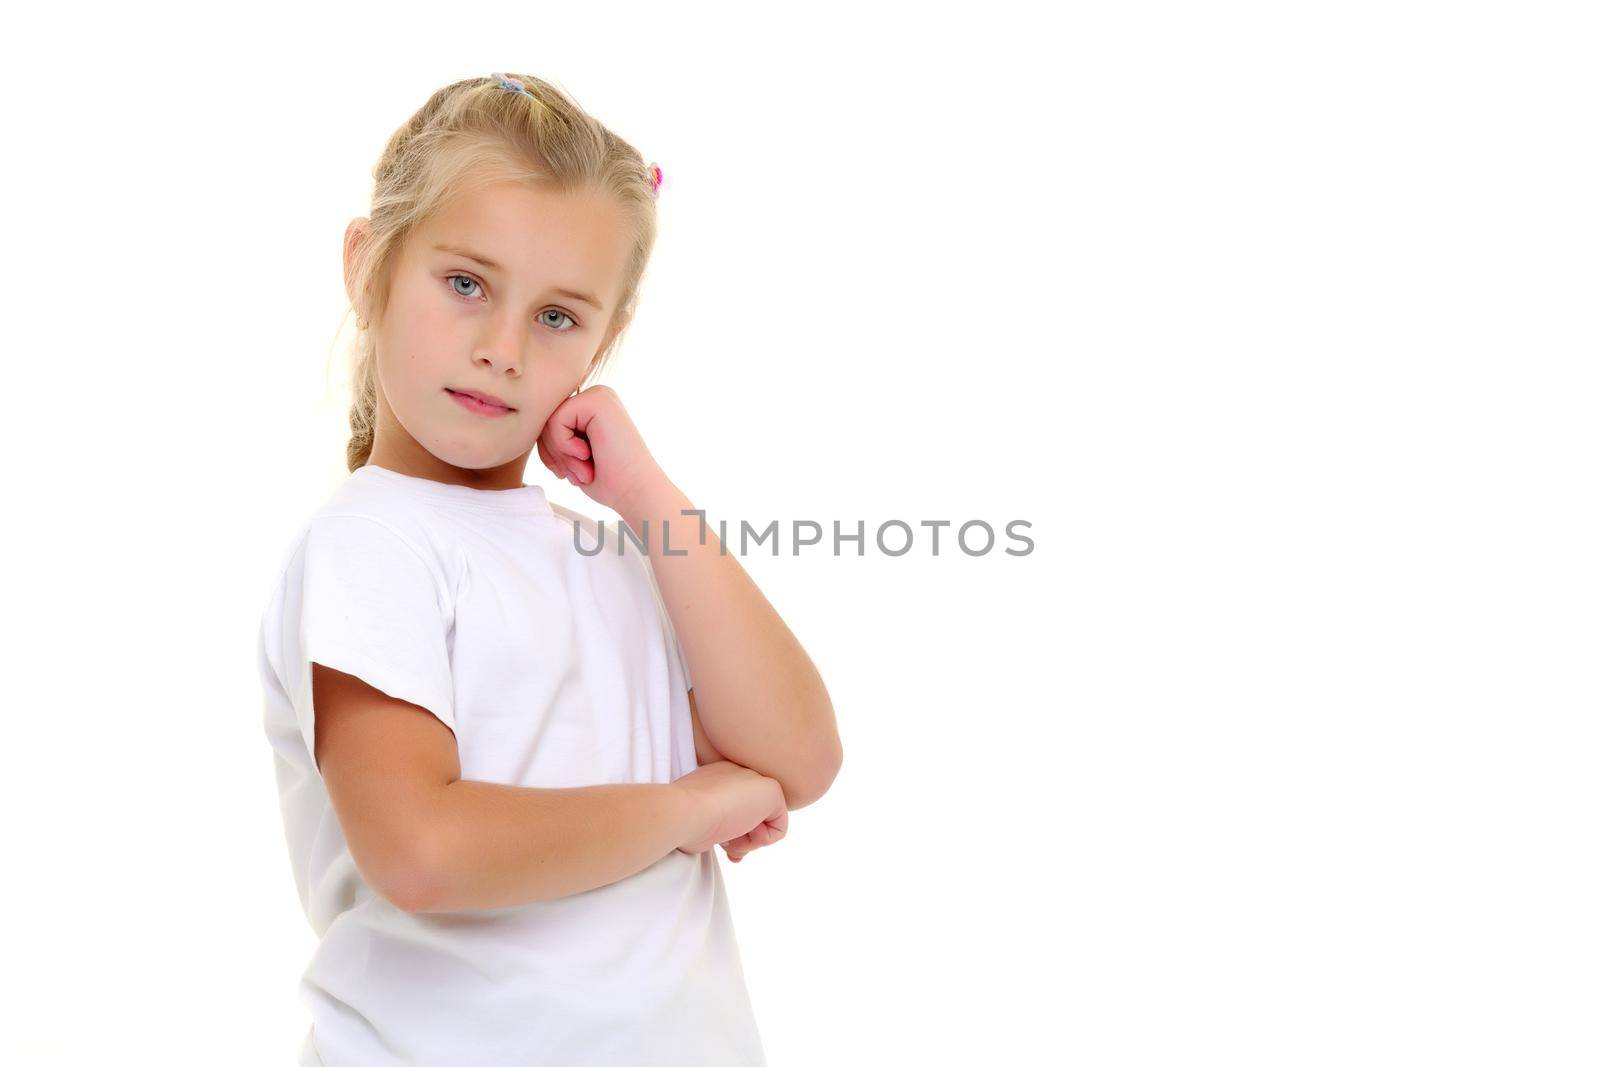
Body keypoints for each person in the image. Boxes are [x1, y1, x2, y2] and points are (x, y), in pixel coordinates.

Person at [256, 72, 843, 1066]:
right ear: (369, 268)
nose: (501, 349)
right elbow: (422, 848)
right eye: (465, 284)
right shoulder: (374, 543)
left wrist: (651, 500)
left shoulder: (612, 555)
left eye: (558, 316)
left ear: (602, 345)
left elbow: (797, 759)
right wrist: (689, 808)